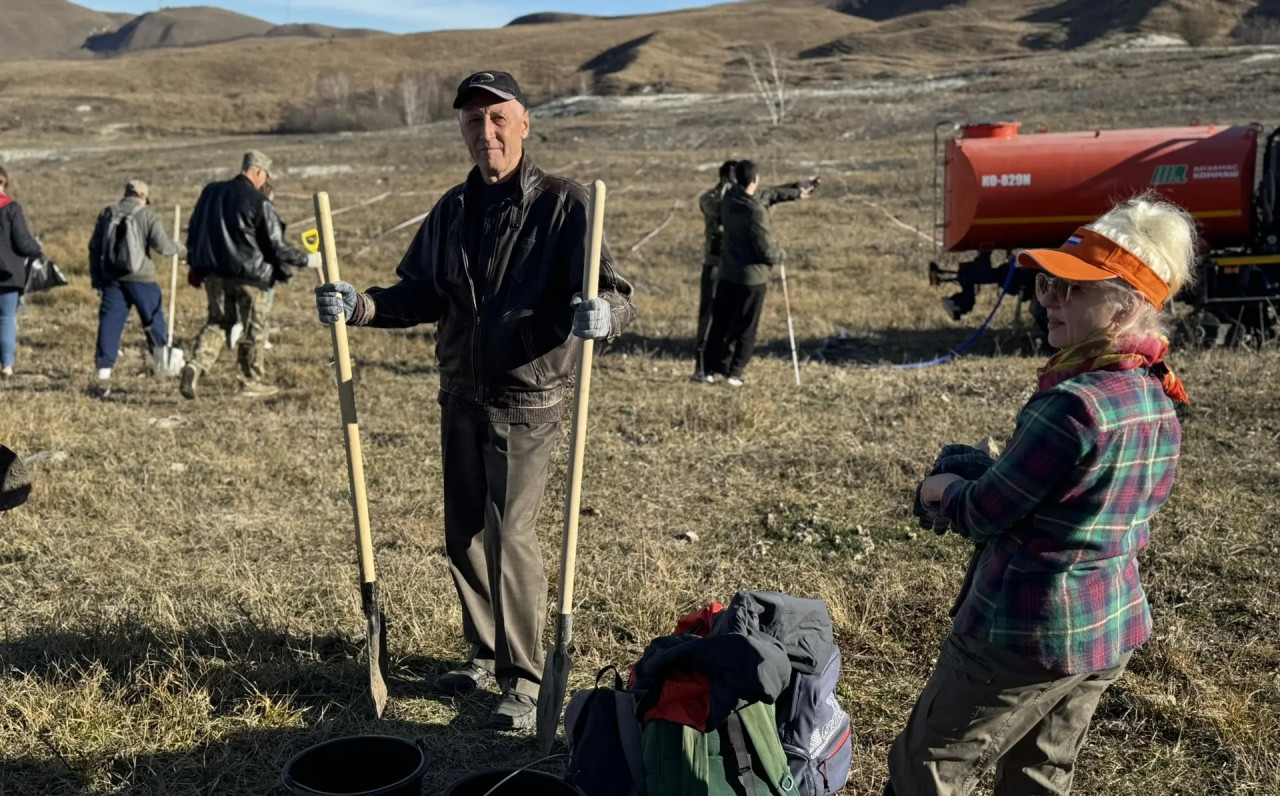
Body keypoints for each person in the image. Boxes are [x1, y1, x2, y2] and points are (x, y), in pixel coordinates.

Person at [315, 69, 635, 731]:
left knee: (511, 536)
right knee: (463, 534)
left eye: (497, 119)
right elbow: (421, 293)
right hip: (460, 393)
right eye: (472, 121)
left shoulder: (565, 205)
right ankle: (483, 653)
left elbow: (615, 291)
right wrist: (361, 306)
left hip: (528, 398)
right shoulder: (452, 211)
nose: (484, 132)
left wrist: (604, 315)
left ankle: (524, 681)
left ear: (523, 124)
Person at [889, 195, 1196, 796]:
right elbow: (1087, 501)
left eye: (1072, 290)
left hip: (1025, 629)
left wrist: (941, 487)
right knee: (1041, 774)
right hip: (1109, 626)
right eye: (1048, 285)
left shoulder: (1074, 403)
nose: (1048, 300)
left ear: (1127, 305)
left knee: (927, 766)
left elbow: (983, 512)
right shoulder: (1155, 392)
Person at [181, 151, 318, 399]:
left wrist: (195, 264)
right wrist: (305, 259)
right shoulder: (259, 202)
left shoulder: (210, 192)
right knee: (252, 329)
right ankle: (250, 381)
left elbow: (195, 229)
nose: (263, 182)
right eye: (264, 176)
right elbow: (275, 244)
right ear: (257, 171)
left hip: (215, 273)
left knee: (218, 323)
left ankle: (196, 365)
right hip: (251, 277)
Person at [693, 161, 816, 381]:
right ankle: (727, 371)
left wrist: (796, 189)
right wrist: (780, 255)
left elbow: (768, 194)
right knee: (738, 325)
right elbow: (765, 247)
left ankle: (713, 368)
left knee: (722, 323)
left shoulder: (732, 199)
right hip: (740, 274)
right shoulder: (742, 208)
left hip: (728, 272)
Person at [88, 179, 186, 395]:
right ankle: (162, 364)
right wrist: (182, 249)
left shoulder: (107, 213)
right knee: (152, 319)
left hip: (112, 279)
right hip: (142, 278)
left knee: (110, 323)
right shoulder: (147, 214)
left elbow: (94, 248)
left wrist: (97, 278)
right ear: (143, 197)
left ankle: (103, 373)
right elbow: (163, 246)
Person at [0, 165, 45, 380]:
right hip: (8, 274)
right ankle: (7, 366)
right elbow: (23, 244)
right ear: (4, 183)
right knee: (6, 319)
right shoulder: (12, 208)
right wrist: (37, 249)